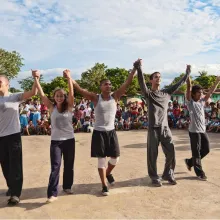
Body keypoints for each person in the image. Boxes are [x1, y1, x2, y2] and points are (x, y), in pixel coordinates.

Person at [70, 63, 137, 195]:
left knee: (115, 158)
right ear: (101, 87)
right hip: (99, 132)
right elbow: (79, 89)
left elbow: (127, 82)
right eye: (106, 84)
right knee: (101, 160)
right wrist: (70, 77)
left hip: (111, 131)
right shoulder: (95, 98)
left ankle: (107, 174)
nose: (109, 85)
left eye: (110, 84)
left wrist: (134, 68)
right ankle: (104, 185)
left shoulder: (116, 96)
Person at [136, 59, 191, 187]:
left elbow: (178, 84)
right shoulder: (149, 94)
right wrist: (139, 68)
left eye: (160, 77)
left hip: (165, 128)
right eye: (155, 77)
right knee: (152, 155)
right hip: (153, 128)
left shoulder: (166, 93)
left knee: (171, 151)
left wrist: (187, 73)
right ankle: (154, 177)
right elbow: (141, 82)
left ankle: (168, 173)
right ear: (151, 80)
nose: (158, 78)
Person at [34, 69, 75, 203]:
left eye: (61, 96)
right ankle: (52, 193)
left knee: (69, 165)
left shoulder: (69, 106)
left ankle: (67, 186)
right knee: (55, 166)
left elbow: (71, 91)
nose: (59, 98)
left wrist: (69, 78)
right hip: (56, 142)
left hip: (69, 140)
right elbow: (41, 94)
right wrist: (36, 79)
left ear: (64, 97)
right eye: (57, 96)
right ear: (54, 97)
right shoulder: (51, 108)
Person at [0, 73, 38, 205]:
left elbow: (33, 92)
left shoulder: (14, 97)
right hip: (0, 137)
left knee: (15, 164)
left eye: (0, 81)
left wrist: (35, 78)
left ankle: (16, 193)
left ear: (7, 84)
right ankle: (11, 186)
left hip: (13, 135)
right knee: (5, 164)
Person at [184, 75, 220, 180]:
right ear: (194, 94)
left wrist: (217, 80)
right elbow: (189, 87)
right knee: (196, 152)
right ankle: (200, 173)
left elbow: (210, 92)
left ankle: (190, 162)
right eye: (199, 92)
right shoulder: (190, 103)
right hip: (194, 131)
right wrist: (188, 76)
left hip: (202, 130)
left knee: (206, 149)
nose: (201, 94)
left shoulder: (202, 102)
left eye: (201, 92)